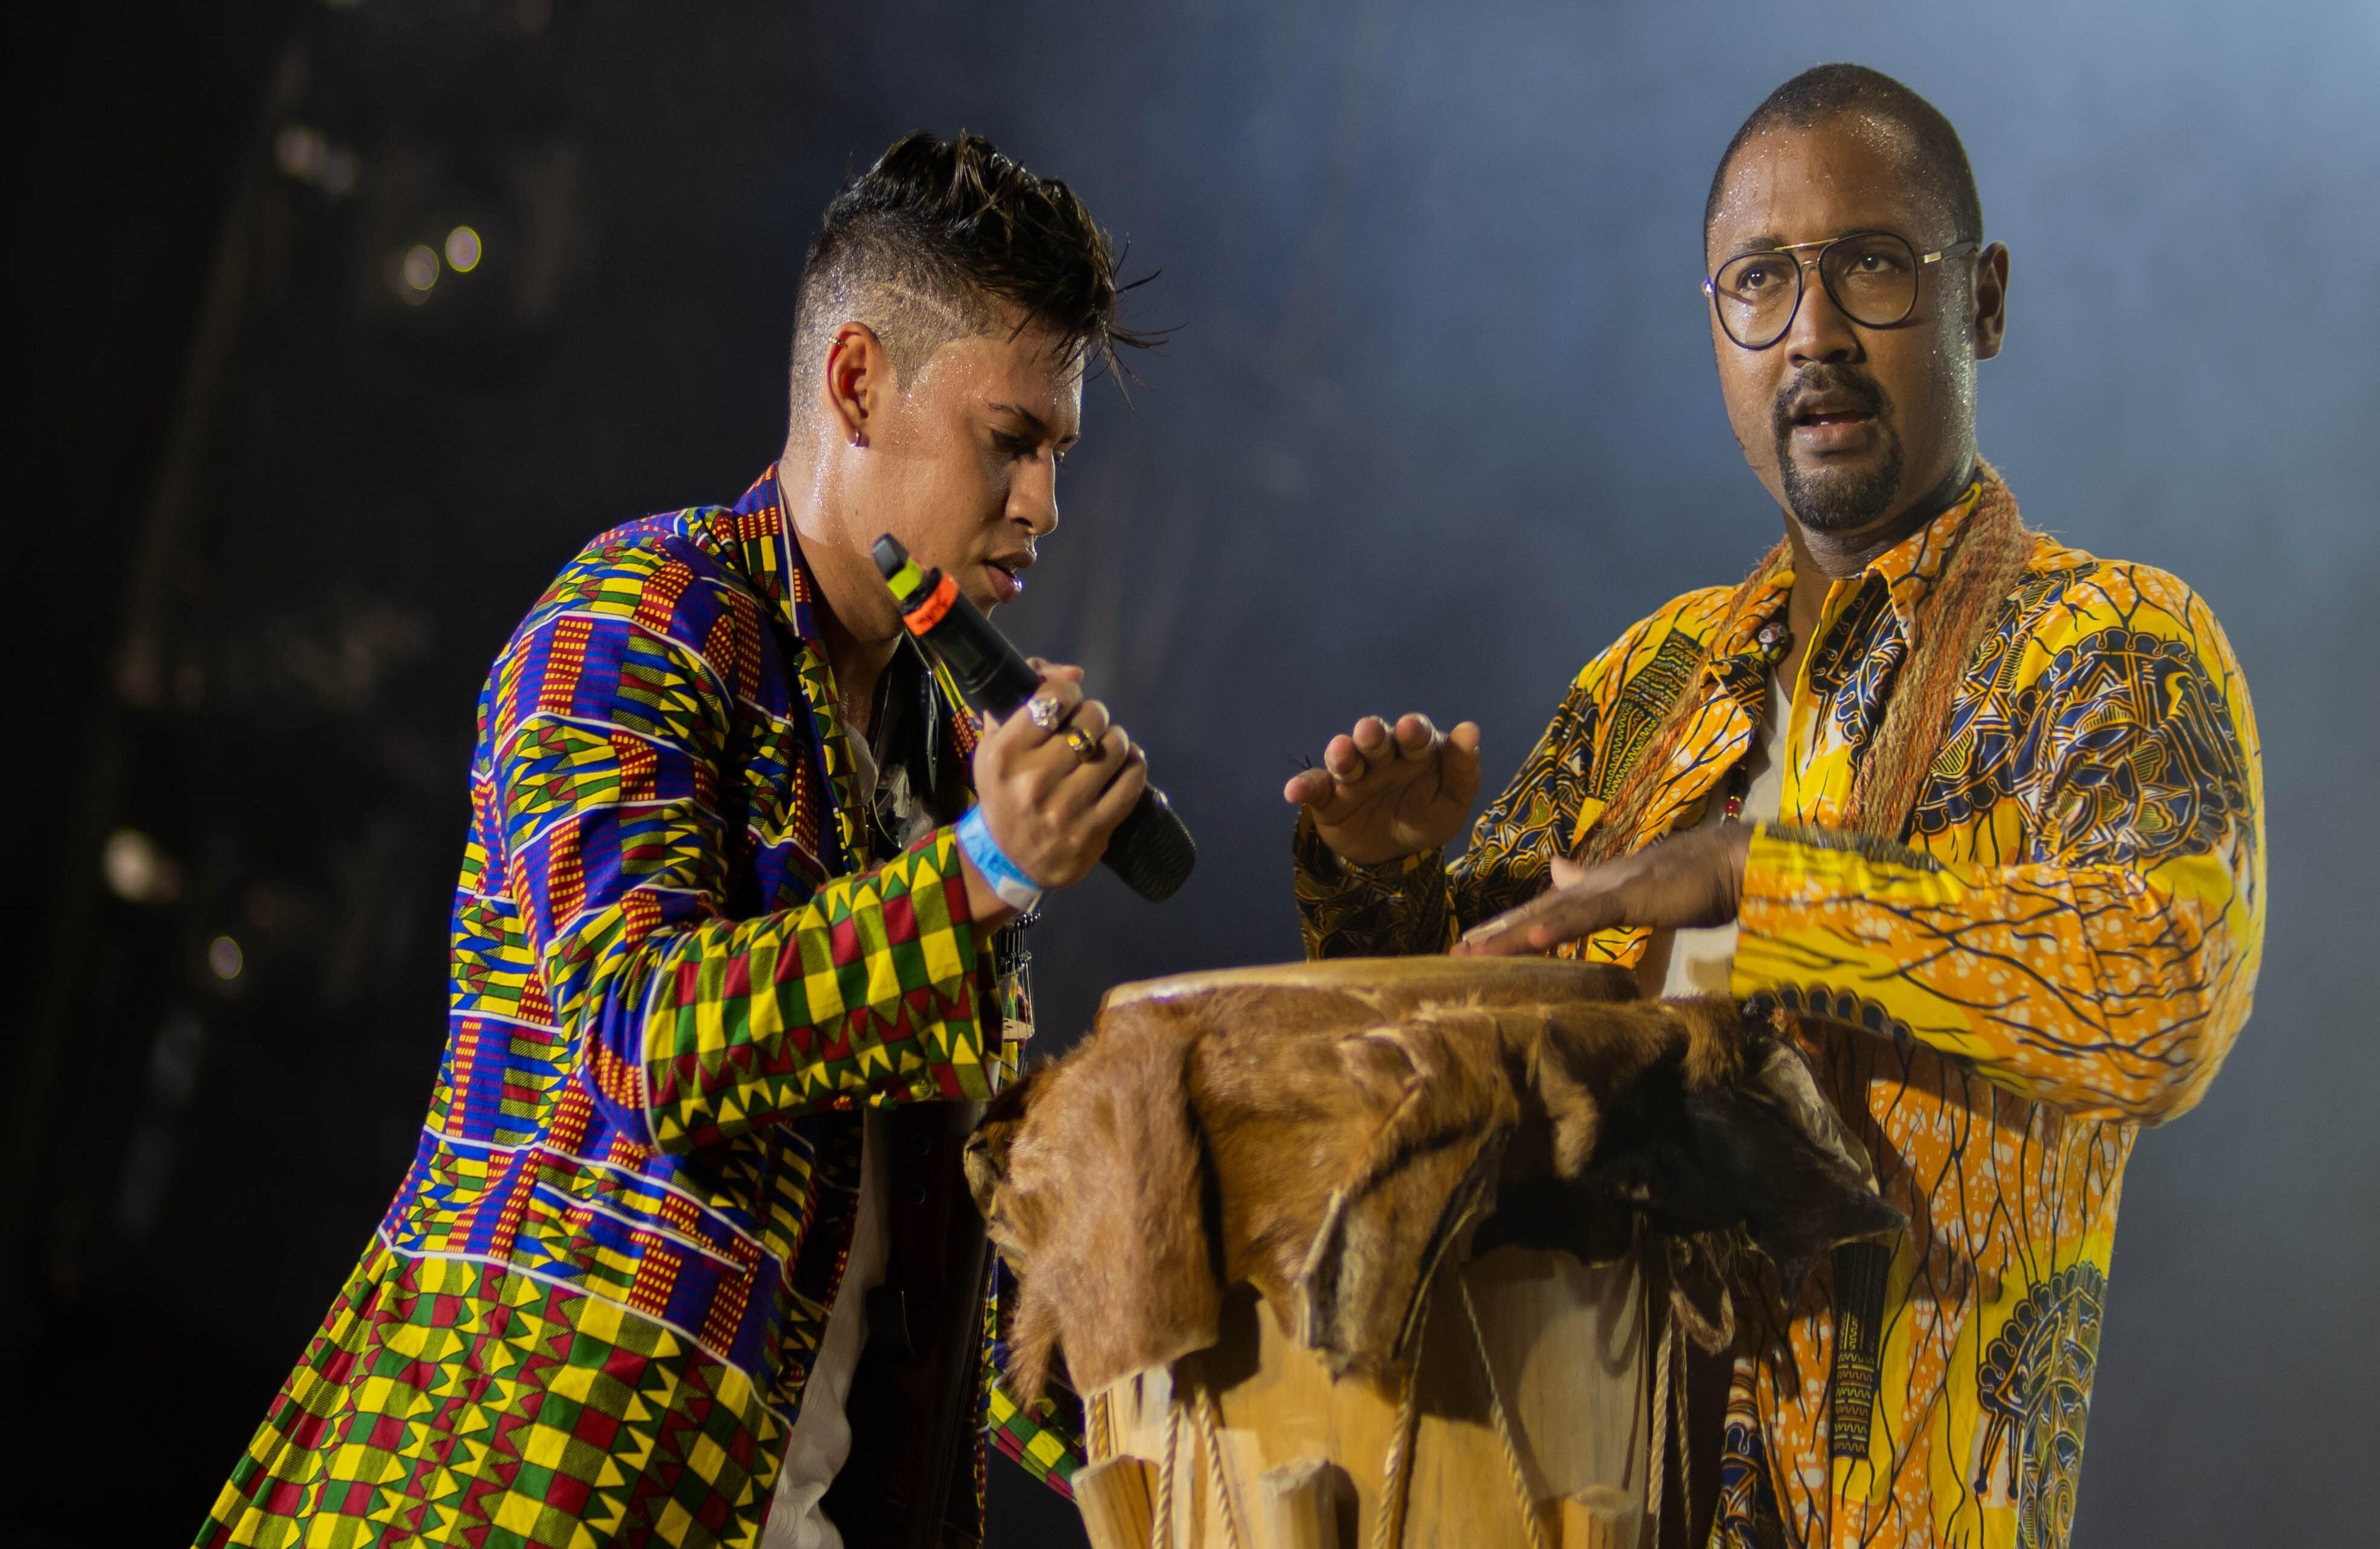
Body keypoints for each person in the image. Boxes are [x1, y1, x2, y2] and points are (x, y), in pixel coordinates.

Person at [1286, 65, 2261, 1549]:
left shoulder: (2109, 642)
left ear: (1981, 301)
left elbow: (2164, 988)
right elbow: (1435, 1073)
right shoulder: (1646, 681)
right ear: (1719, 330)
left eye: (1871, 265)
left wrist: (1777, 900)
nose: (1812, 331)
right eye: (1760, 282)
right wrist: (1383, 886)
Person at [198, 131, 1151, 1549]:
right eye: (1010, 441)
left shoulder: (947, 755)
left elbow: (951, 1238)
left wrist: (1158, 1434)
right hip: (523, 1490)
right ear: (856, 384)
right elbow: (650, 1035)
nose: (1044, 506)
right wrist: (985, 876)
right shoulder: (637, 620)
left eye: (1057, 454)